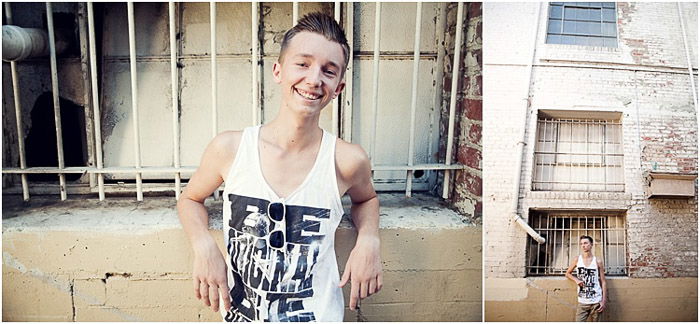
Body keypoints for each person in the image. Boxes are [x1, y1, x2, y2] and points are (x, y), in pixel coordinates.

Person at [176, 12, 382, 322]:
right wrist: (203, 245)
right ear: (278, 71)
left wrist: (369, 238)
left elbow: (366, 199)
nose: (314, 79)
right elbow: (190, 199)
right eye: (303, 64)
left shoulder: (346, 160)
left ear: (337, 88)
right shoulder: (230, 149)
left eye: (328, 71)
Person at [565, 235, 608, 322]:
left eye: (585, 243)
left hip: (596, 301)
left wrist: (603, 301)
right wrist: (576, 280)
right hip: (582, 301)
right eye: (581, 244)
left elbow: (603, 282)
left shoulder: (597, 261)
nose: (583, 245)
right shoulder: (577, 259)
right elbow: (567, 273)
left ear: (591, 244)